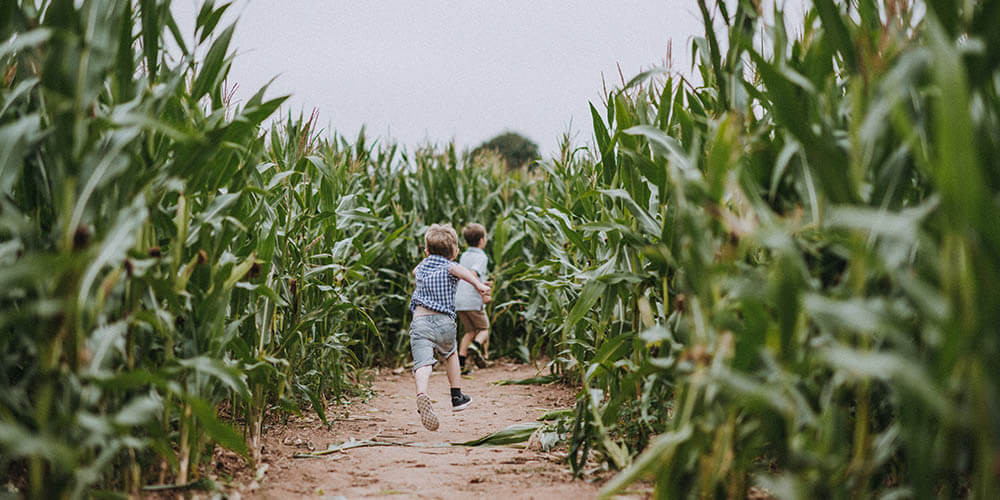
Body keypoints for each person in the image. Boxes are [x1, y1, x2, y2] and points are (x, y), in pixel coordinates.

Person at [408, 223, 491, 431]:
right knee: (451, 354)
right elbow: (464, 273)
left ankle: (422, 395)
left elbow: (415, 270)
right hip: (444, 321)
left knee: (423, 363)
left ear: (426, 251)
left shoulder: (423, 266)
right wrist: (480, 286)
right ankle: (457, 396)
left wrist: (427, 259)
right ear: (454, 252)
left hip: (420, 321)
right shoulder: (450, 266)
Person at [455, 223, 492, 373]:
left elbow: (466, 275)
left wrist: (482, 282)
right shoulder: (481, 257)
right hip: (472, 300)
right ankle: (475, 347)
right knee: (484, 329)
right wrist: (482, 289)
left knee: (469, 331)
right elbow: (474, 274)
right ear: (482, 240)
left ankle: (462, 364)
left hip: (459, 300)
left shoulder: (464, 255)